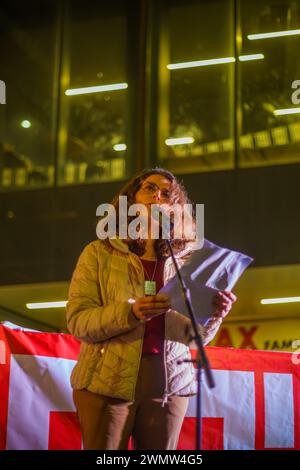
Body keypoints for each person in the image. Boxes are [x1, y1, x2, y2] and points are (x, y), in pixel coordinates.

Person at [66, 167, 236, 450]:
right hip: (106, 382)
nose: (158, 194)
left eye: (167, 192)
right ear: (131, 198)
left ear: (175, 206)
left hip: (169, 386)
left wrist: (215, 313)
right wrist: (130, 314)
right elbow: (78, 322)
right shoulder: (98, 252)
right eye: (149, 187)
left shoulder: (188, 261)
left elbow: (196, 337)